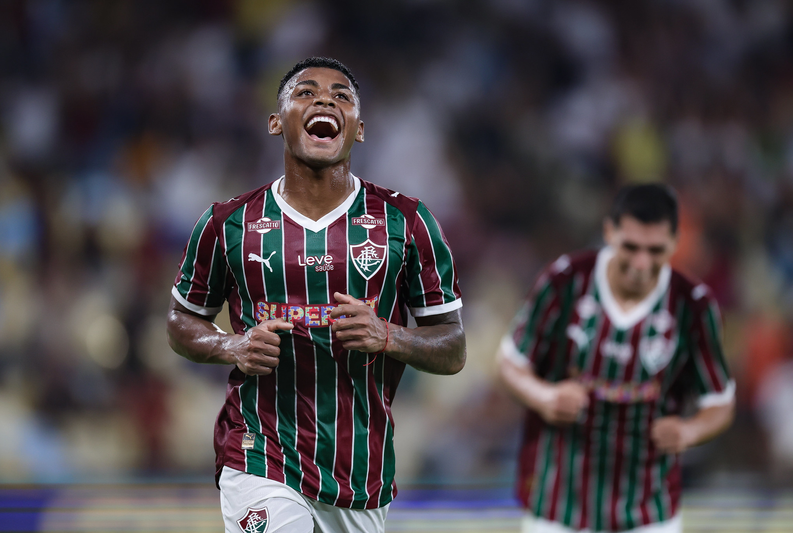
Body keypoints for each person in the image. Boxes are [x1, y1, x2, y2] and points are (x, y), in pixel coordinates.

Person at [166, 57, 465, 533]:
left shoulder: (406, 223)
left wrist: (389, 335)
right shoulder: (228, 223)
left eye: (341, 96)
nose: (325, 100)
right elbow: (181, 320)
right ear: (275, 122)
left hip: (359, 471)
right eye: (305, 93)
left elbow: (452, 347)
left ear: (359, 130)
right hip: (259, 452)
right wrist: (231, 346)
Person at [496, 184, 734, 533]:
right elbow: (510, 362)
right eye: (631, 247)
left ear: (674, 242)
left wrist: (689, 430)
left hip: (649, 512)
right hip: (559, 507)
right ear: (609, 232)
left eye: (655, 250)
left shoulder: (693, 305)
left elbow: (720, 401)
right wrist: (544, 396)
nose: (641, 263)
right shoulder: (565, 281)